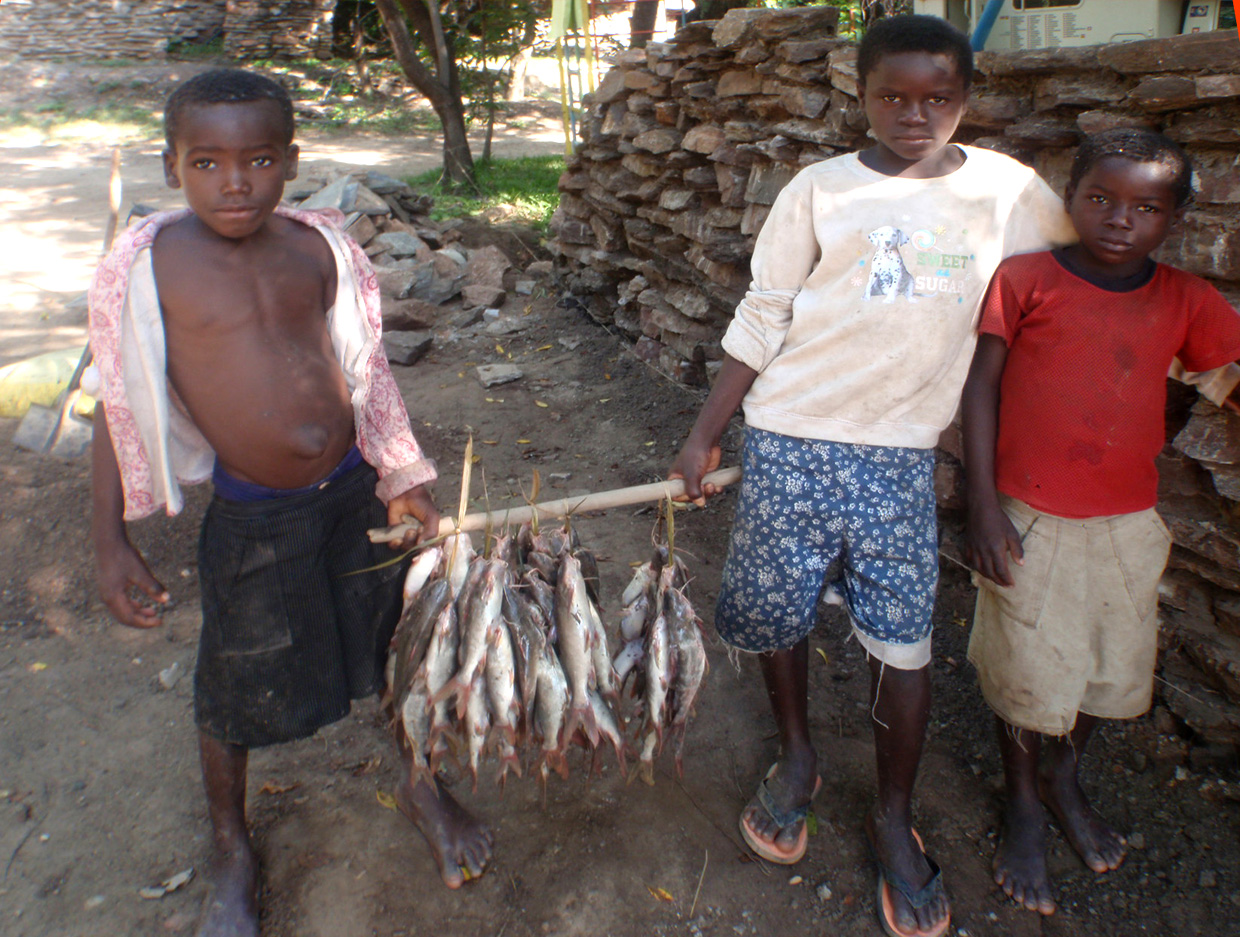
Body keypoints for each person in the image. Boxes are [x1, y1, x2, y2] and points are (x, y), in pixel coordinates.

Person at [668, 15, 1076, 937]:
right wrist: (704, 434)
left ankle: (894, 814)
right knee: (778, 609)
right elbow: (766, 310)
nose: (913, 114)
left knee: (904, 639)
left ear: (967, 98)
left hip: (900, 454)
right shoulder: (820, 189)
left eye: (938, 97)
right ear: (861, 94)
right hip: (792, 435)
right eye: (891, 95)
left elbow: (1077, 270)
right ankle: (798, 756)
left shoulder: (1009, 192)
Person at [87, 69, 492, 937]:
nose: (235, 182)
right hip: (254, 516)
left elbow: (366, 369)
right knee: (235, 679)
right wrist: (109, 539)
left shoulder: (317, 249)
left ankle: (421, 782)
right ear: (170, 167)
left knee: (395, 642)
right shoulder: (151, 269)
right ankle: (232, 845)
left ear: (292, 161)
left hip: (352, 493)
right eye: (206, 163)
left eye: (259, 160)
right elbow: (114, 404)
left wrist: (403, 473)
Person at [960, 128, 1240, 917]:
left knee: (1104, 662)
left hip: (1126, 522)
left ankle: (1064, 775)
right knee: (1025, 667)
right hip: (1026, 514)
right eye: (1101, 199)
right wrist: (982, 505)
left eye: (1146, 208)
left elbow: (1224, 373)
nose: (1120, 219)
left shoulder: (1186, 299)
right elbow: (981, 389)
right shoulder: (1025, 280)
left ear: (1175, 220)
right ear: (1072, 197)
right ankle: (1022, 799)